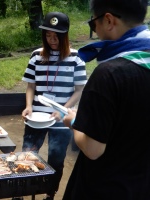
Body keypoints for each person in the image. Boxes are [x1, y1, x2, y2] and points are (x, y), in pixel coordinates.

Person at [62, 0, 150, 199]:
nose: (95, 30)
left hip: (104, 188)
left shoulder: (108, 74)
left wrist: (74, 122)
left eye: (93, 24)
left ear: (108, 20)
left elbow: (93, 149)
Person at [20, 12, 87, 200]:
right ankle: (22, 191)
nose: (52, 40)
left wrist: (61, 109)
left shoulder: (76, 58)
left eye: (56, 36)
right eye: (48, 36)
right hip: (36, 118)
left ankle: (50, 194)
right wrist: (28, 106)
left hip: (61, 119)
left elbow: (80, 90)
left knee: (56, 159)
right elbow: (30, 86)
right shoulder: (36, 56)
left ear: (65, 35)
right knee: (27, 155)